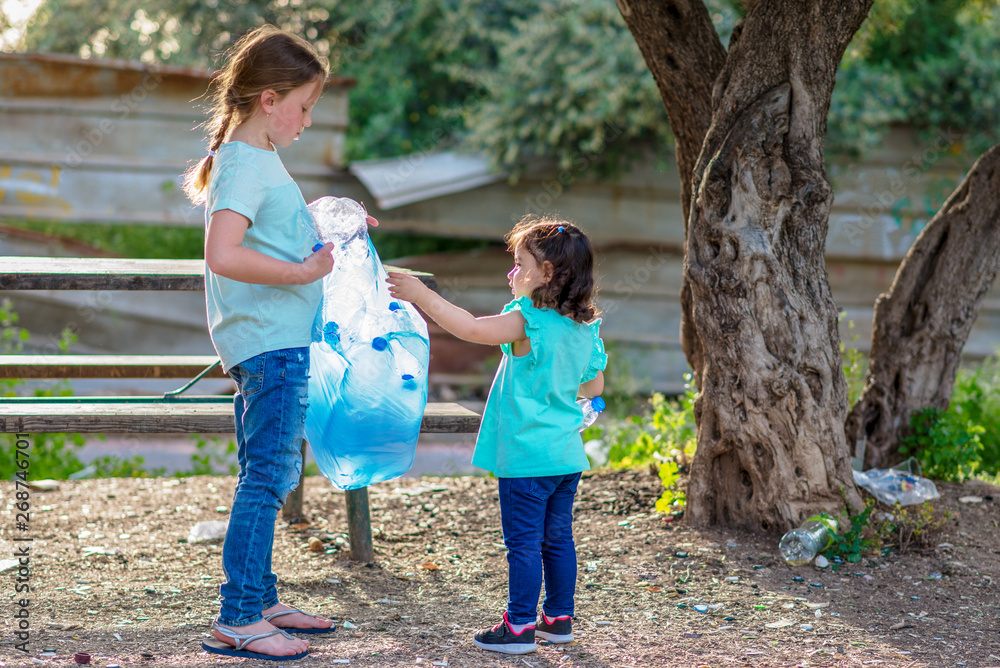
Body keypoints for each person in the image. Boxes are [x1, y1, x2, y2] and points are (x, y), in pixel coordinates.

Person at [183, 25, 375, 662]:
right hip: (270, 346)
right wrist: (301, 274)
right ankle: (237, 617)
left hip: (277, 342)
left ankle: (261, 599)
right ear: (269, 99)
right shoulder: (242, 163)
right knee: (266, 477)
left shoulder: (255, 161)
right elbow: (224, 253)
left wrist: (336, 220)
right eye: (304, 104)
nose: (308, 118)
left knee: (266, 472)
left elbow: (277, 230)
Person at [386, 216, 607, 655]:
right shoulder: (584, 330)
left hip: (526, 458)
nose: (511, 273)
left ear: (546, 274)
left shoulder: (528, 322)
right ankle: (559, 619)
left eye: (520, 264)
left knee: (523, 543)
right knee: (557, 538)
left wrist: (420, 294)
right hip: (565, 456)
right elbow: (594, 389)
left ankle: (520, 626)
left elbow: (469, 329)